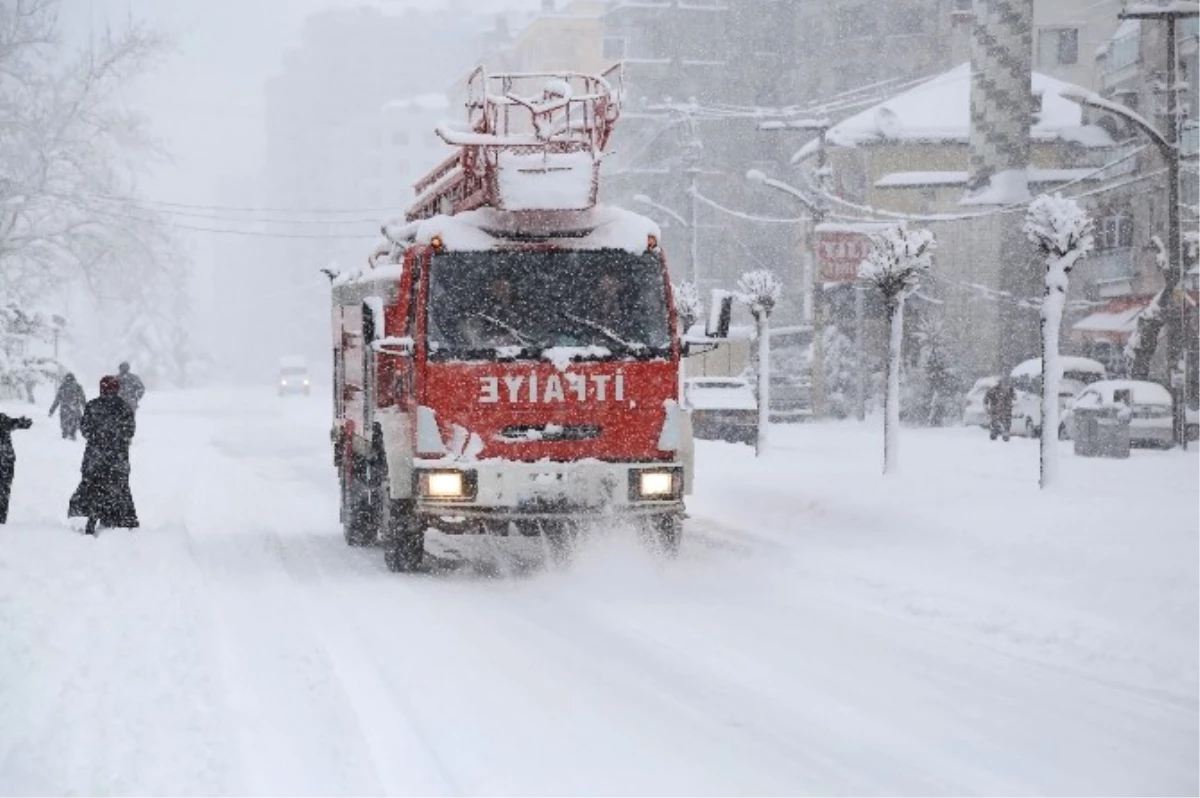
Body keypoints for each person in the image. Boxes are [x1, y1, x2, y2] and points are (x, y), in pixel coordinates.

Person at [69, 376, 139, 536]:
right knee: (118, 489)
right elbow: (130, 432)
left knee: (93, 489)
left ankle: (91, 520)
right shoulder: (124, 407)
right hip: (117, 459)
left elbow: (85, 430)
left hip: (95, 458)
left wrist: (99, 438)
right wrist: (115, 439)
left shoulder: (92, 406)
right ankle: (117, 520)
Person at [0, 412, 33, 524]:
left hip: (5, 461)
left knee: (4, 491)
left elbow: (13, 423)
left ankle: (1, 518)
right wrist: (21, 422)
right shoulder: (2, 419)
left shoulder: (2, 419)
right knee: (4, 491)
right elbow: (14, 423)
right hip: (5, 461)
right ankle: (1, 518)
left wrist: (21, 422)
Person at [48, 372, 87, 440]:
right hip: (75, 410)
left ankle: (65, 435)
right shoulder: (78, 387)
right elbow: (83, 400)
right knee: (74, 425)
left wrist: (51, 410)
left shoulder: (62, 387)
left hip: (65, 410)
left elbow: (57, 401)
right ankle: (72, 435)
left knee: (64, 425)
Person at [984, 378, 1016, 442]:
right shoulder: (1008, 389)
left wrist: (987, 408)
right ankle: (1003, 434)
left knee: (996, 422)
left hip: (998, 410)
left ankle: (995, 434)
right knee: (1004, 422)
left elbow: (986, 399)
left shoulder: (992, 390)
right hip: (1004, 409)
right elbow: (1014, 397)